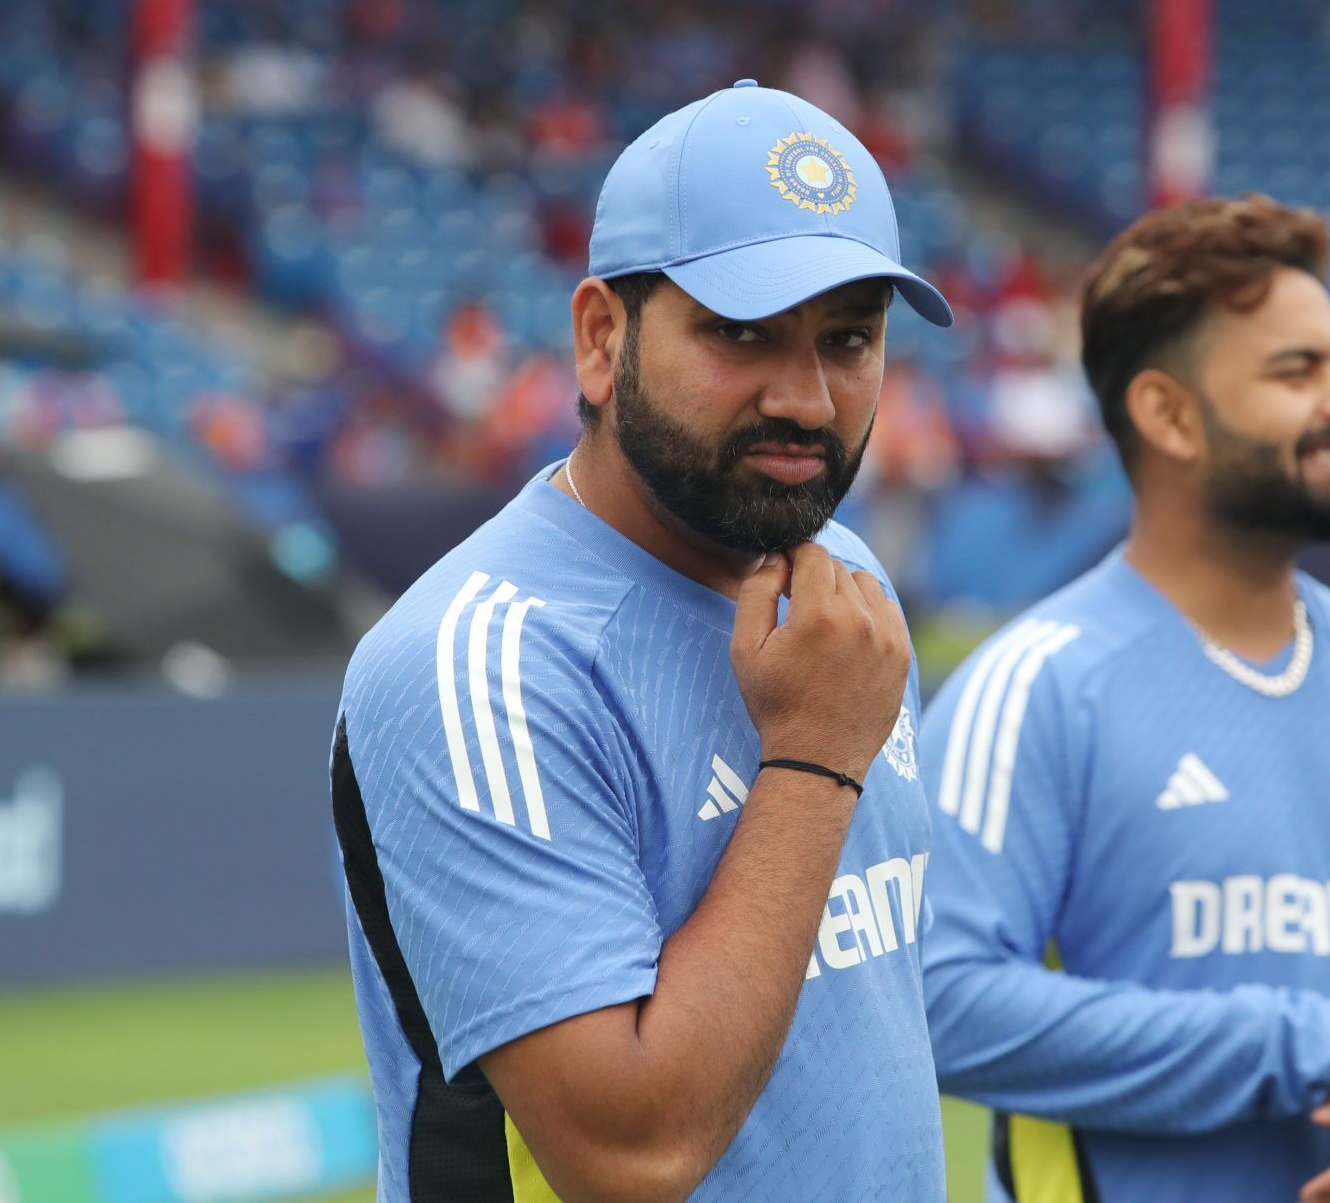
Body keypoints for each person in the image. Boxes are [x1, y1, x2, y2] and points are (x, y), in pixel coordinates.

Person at [331, 80, 955, 1201]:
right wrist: (812, 759)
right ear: (601, 337)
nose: (808, 399)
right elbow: (631, 1155)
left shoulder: (845, 589)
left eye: (850, 339)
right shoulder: (481, 661)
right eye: (743, 334)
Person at [920, 195, 1330, 1202]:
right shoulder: (1037, 687)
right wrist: (1316, 1044)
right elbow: (939, 1000)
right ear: (1167, 414)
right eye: (1296, 371)